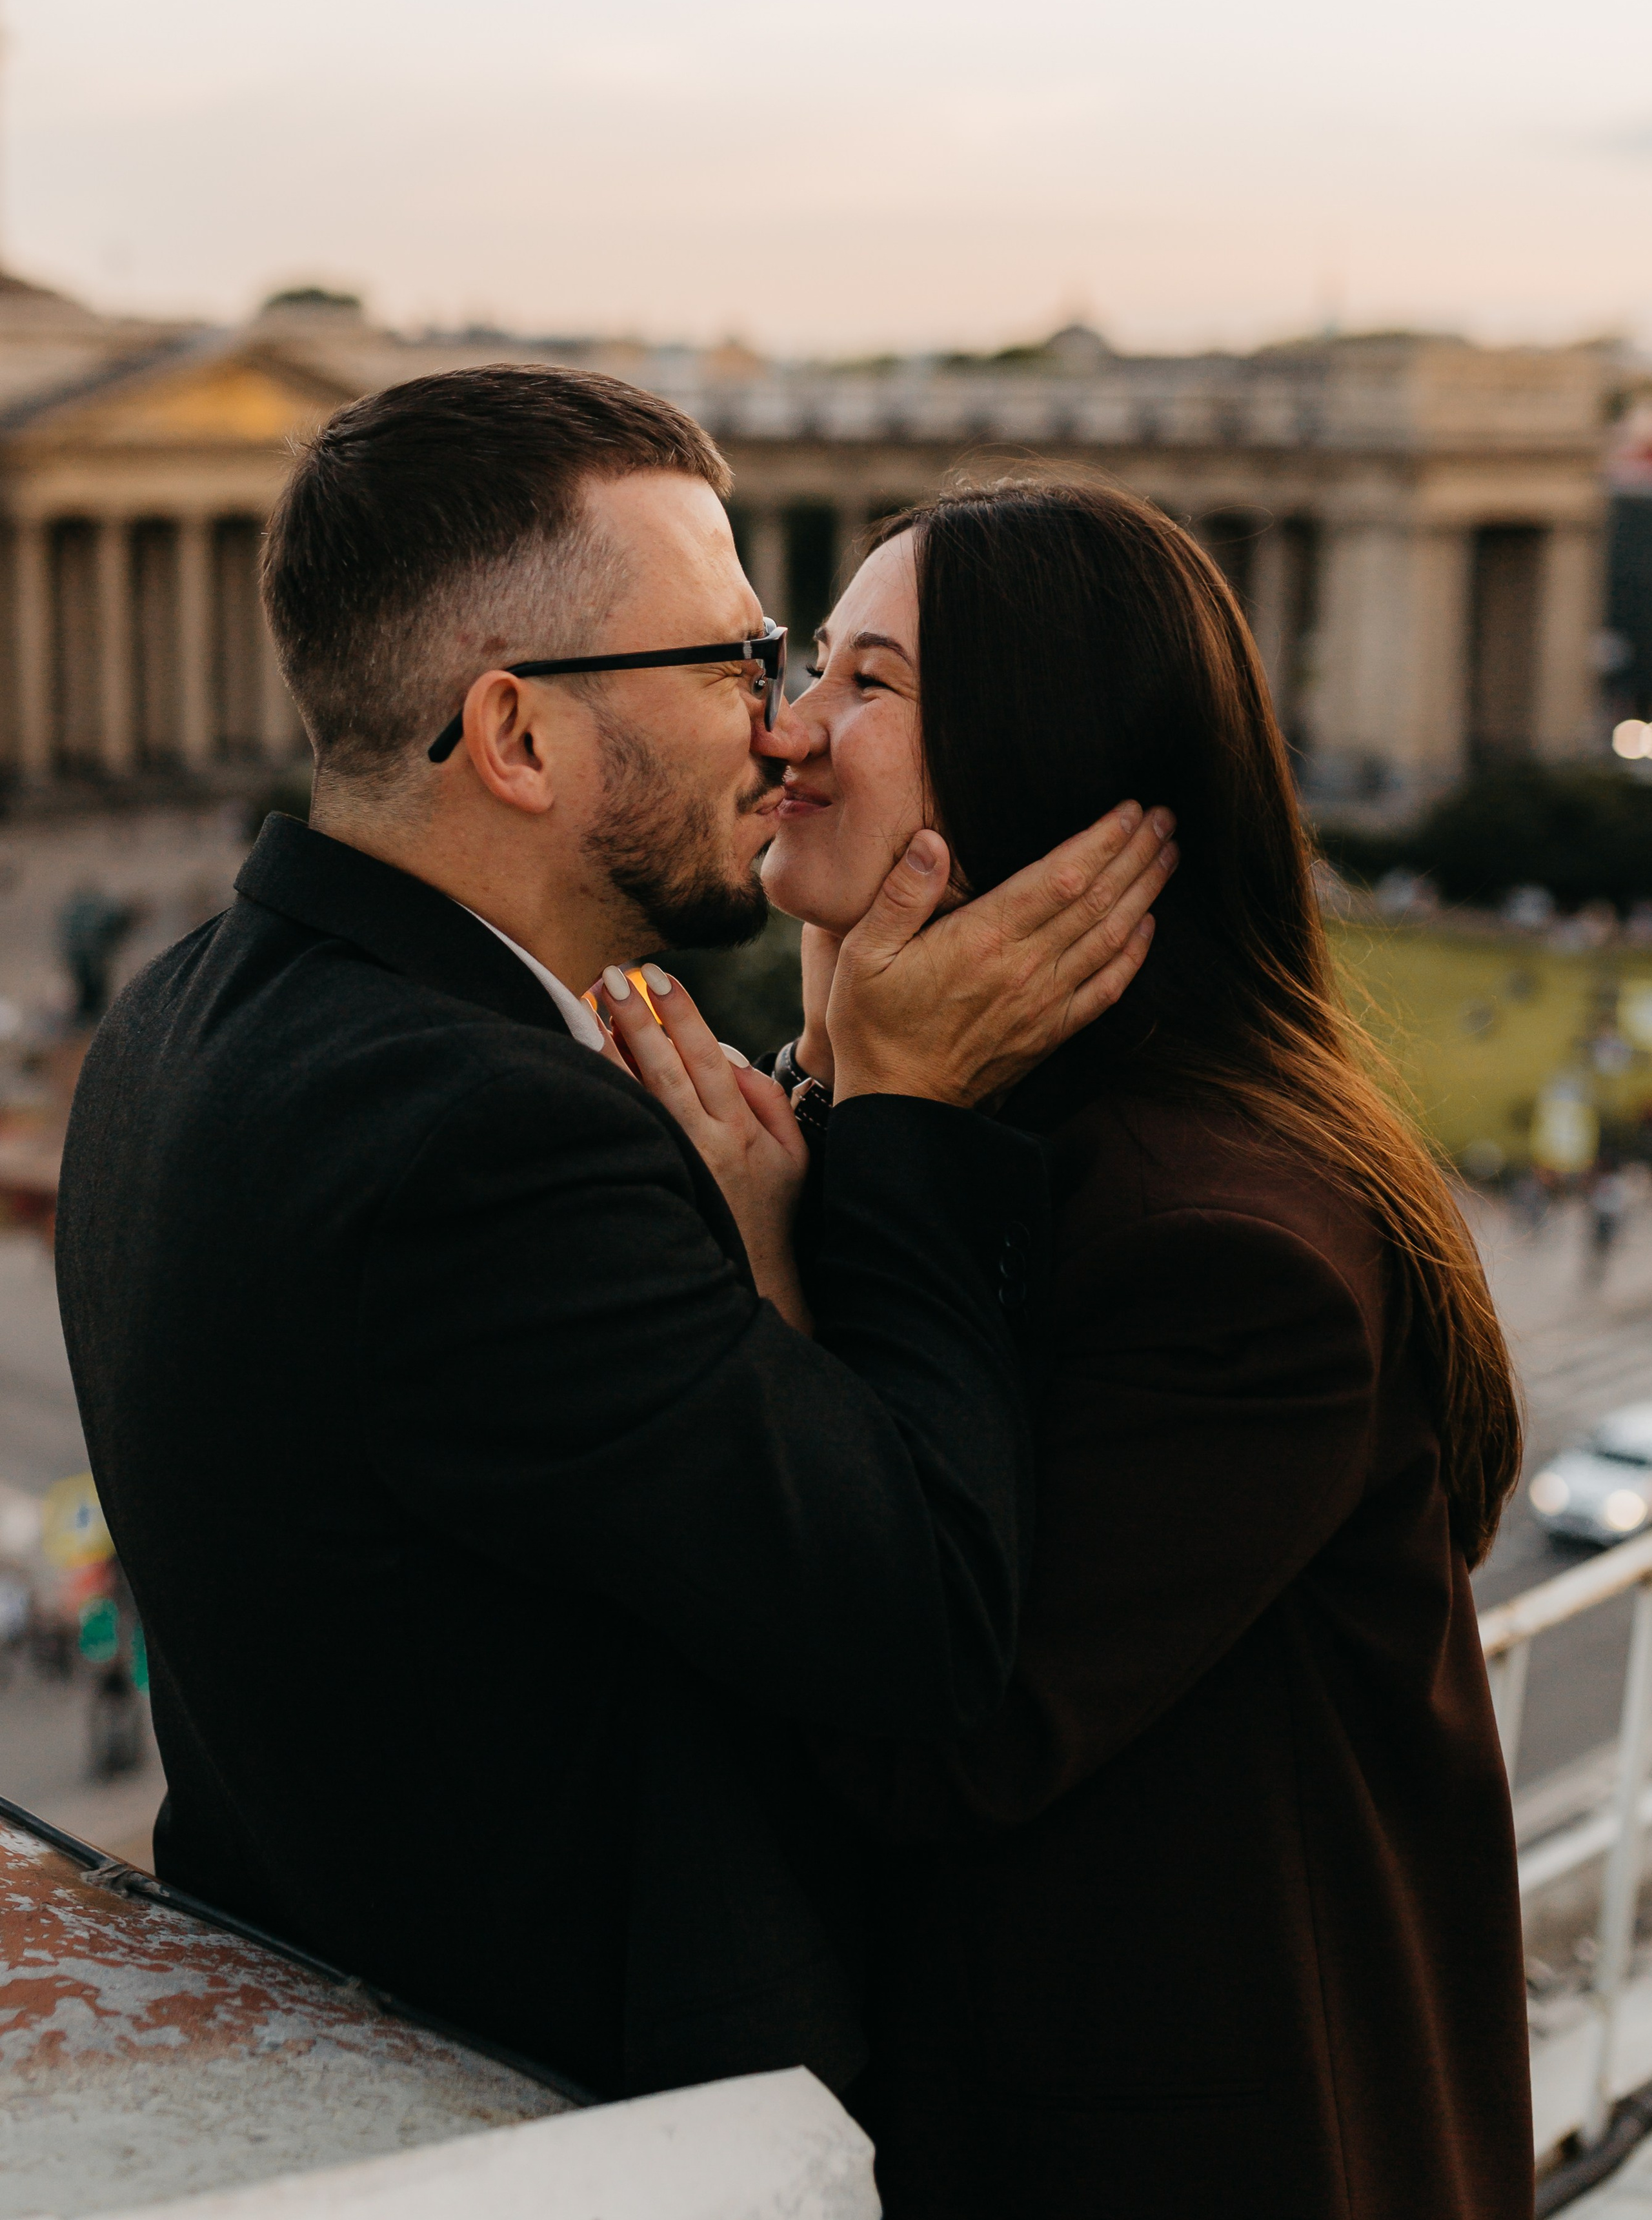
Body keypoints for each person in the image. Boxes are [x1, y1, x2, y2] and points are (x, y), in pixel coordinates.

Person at [54, 370, 1173, 2104]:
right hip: (585, 2122)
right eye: (734, 664)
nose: (779, 729)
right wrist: (910, 1117)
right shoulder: (484, 1140)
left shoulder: (180, 1014)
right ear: (517, 737)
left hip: (327, 2049)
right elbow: (932, 1623)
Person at [606, 481, 1533, 2219]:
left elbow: (931, 1733)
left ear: (1037, 764)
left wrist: (787, 1253)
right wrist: (848, 1090)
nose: (787, 727)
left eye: (870, 684)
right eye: (816, 662)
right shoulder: (1006, 1139)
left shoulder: (1229, 1253)